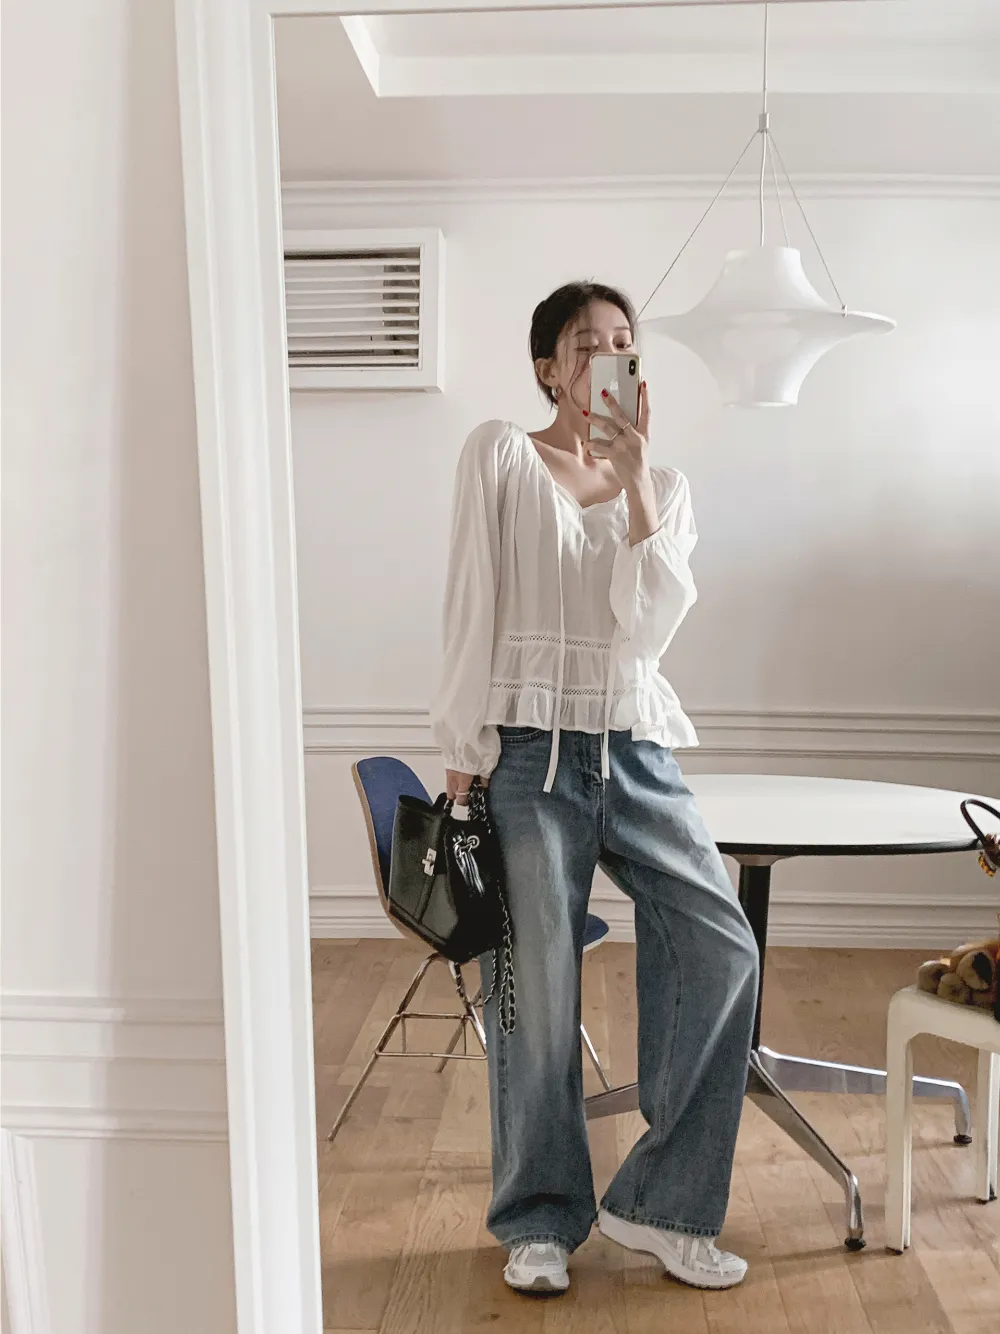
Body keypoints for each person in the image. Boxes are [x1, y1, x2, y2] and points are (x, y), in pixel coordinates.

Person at [429, 281, 759, 1296]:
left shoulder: (666, 486)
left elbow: (645, 632)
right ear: (547, 367)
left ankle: (660, 1203)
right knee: (535, 991)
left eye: (622, 341)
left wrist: (636, 487)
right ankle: (538, 1219)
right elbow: (470, 600)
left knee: (721, 945)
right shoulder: (499, 454)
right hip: (528, 755)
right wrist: (462, 748)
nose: (606, 356)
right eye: (585, 343)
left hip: (635, 748)